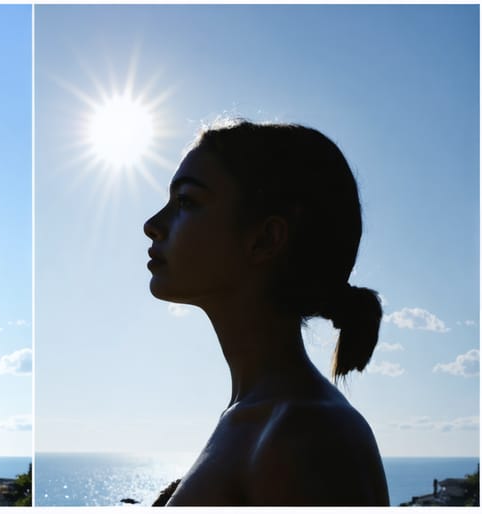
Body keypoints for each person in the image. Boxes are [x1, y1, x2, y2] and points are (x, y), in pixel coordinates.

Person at [144, 120, 389, 506]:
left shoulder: (304, 434)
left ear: (265, 239)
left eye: (186, 201)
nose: (152, 226)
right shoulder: (259, 419)